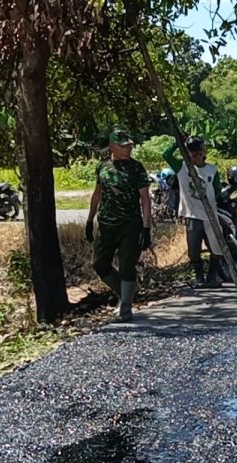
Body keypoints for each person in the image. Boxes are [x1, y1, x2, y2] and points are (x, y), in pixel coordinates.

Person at [85, 129, 152, 322]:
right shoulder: (102, 167)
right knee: (99, 263)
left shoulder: (136, 168)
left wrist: (146, 228)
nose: (127, 149)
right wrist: (90, 221)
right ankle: (125, 292)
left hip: (130, 224)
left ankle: (126, 306)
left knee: (126, 267)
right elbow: (97, 194)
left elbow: (145, 199)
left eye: (129, 145)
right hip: (106, 224)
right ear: (112, 147)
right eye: (123, 146)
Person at [163, 136, 224, 287]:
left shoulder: (212, 170)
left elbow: (217, 190)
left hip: (210, 215)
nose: (196, 154)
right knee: (194, 250)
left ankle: (212, 276)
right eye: (192, 151)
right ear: (188, 153)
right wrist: (177, 142)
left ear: (204, 152)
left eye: (199, 151)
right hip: (192, 215)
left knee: (217, 247)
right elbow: (166, 155)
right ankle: (199, 277)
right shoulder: (182, 167)